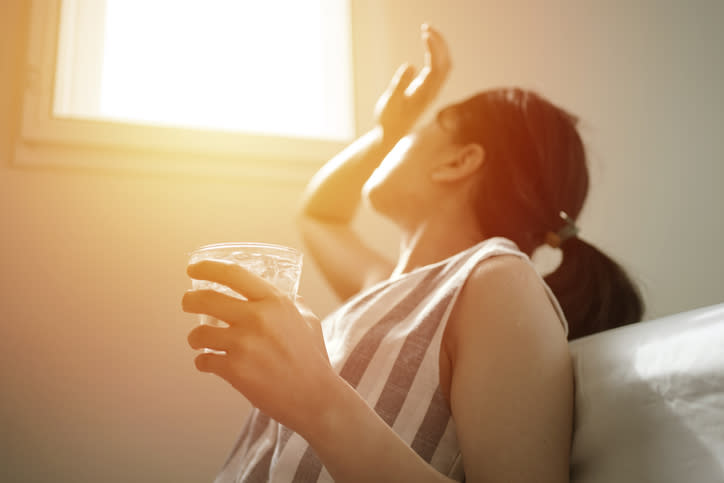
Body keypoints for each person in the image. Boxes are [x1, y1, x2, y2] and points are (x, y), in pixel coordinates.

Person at [182, 23, 644, 483]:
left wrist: (318, 400)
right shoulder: (386, 288)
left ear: (459, 162)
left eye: (417, 133)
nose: (394, 144)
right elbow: (319, 215)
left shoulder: (498, 284)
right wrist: (390, 131)